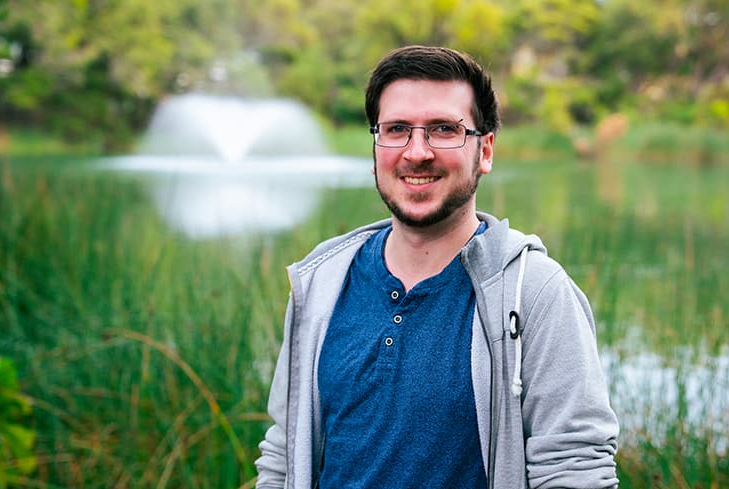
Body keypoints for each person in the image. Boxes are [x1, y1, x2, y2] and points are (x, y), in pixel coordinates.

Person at [255, 45, 619, 489]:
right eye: (397, 129)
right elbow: (283, 458)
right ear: (376, 145)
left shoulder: (534, 293)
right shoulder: (321, 284)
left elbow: (575, 470)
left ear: (485, 150)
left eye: (444, 129)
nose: (417, 152)